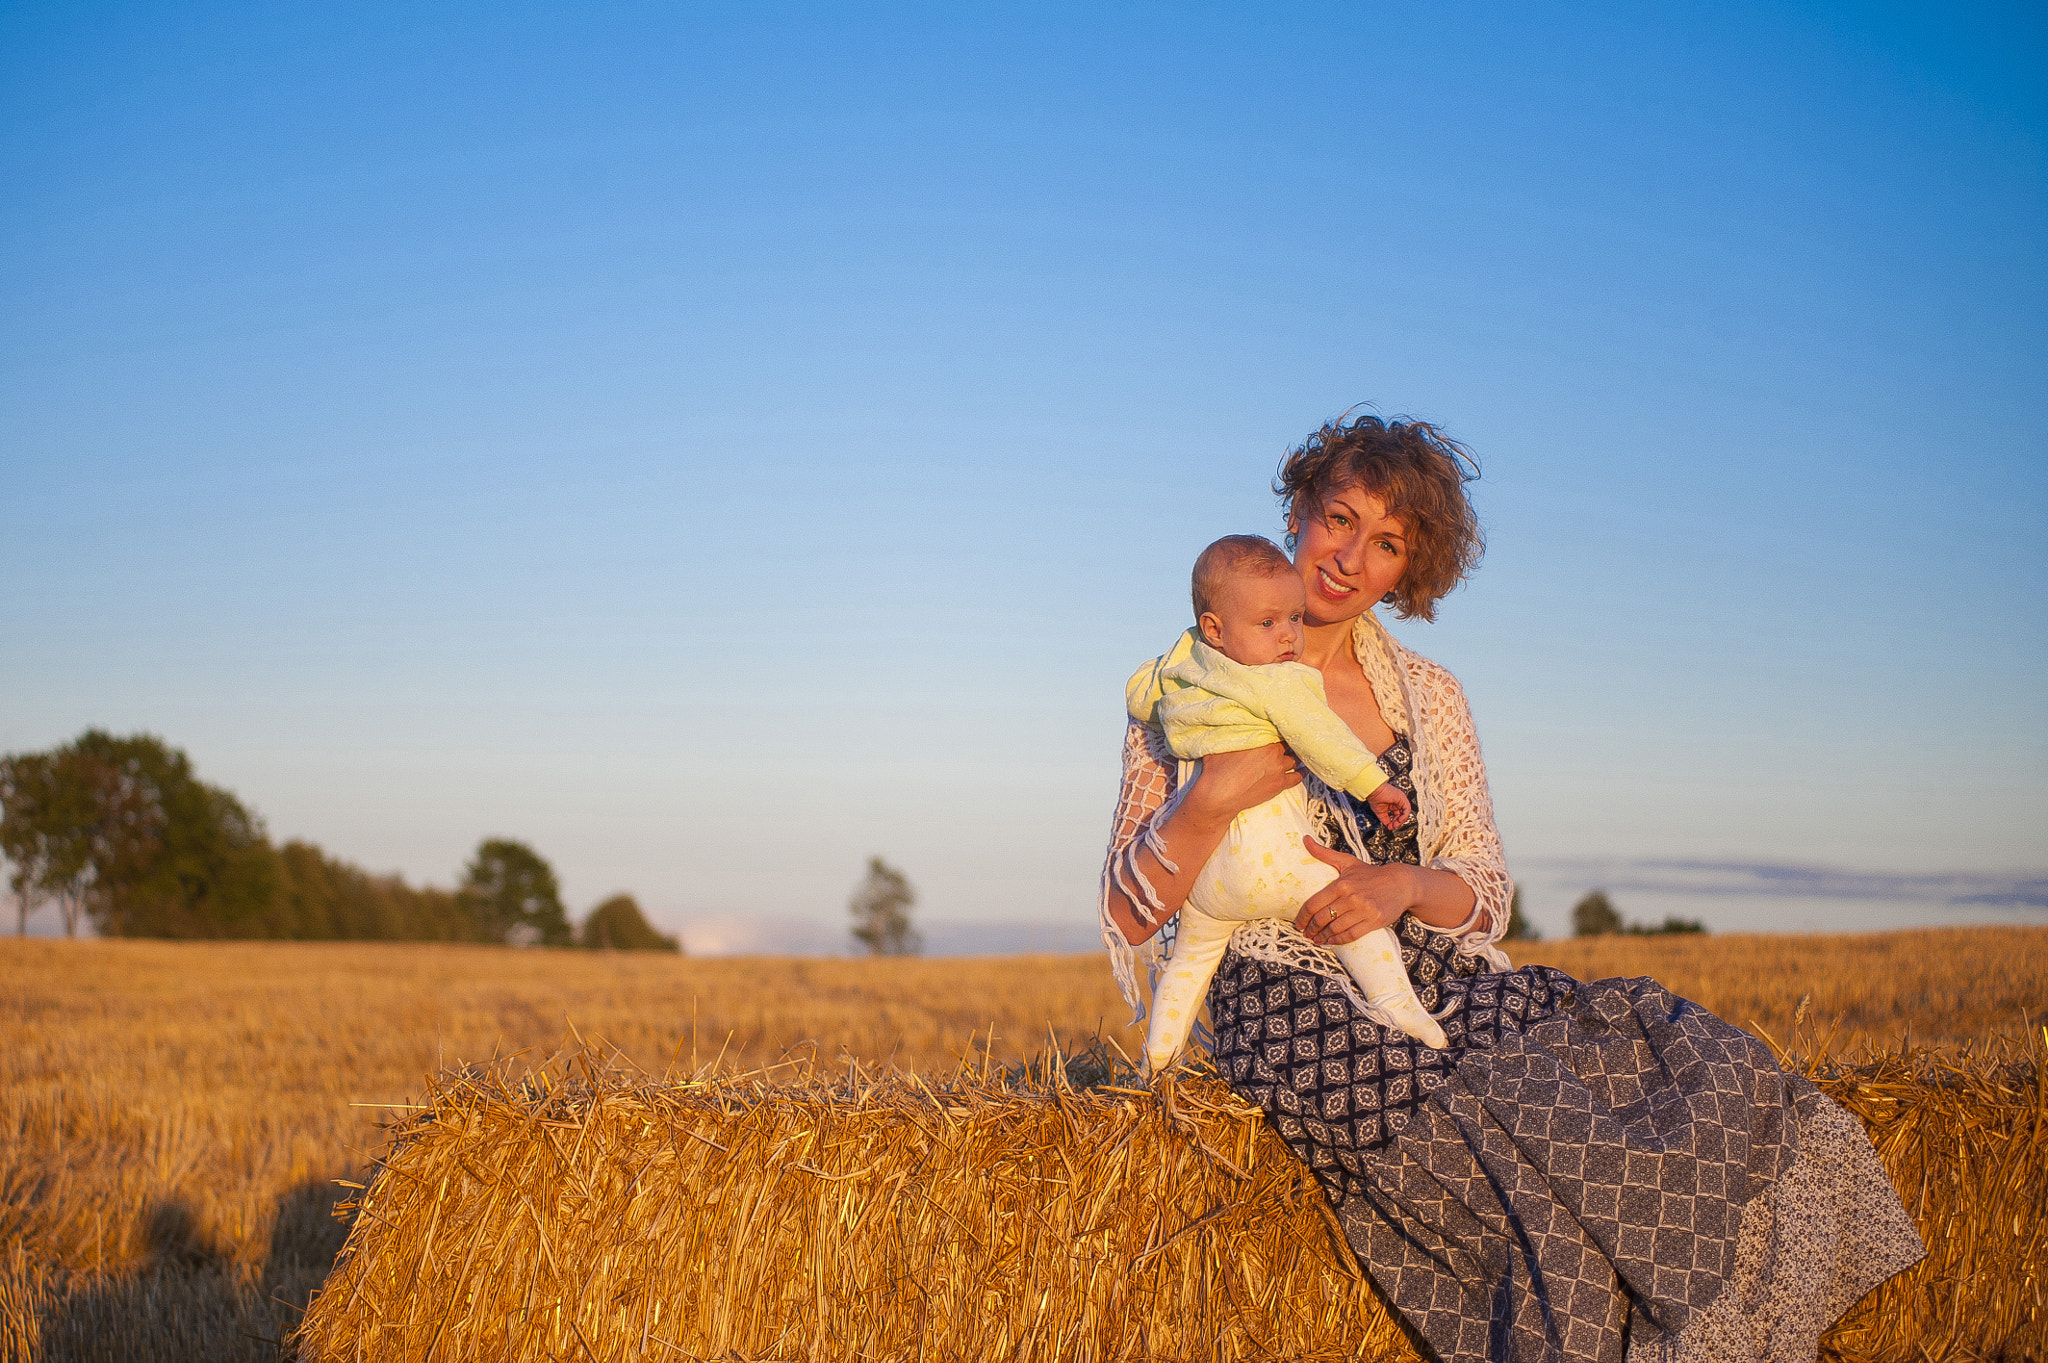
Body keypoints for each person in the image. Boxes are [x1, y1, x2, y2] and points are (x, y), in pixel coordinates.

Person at [1098, 413, 1923, 1363]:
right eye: (1338, 518)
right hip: (1285, 996)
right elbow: (1128, 911)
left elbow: (1485, 891)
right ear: (1297, 512)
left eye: (1387, 543)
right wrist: (1209, 801)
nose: (1347, 557)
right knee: (1501, 1161)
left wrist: (1400, 882)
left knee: (1639, 1066)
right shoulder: (1182, 690)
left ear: (1410, 571)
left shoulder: (1431, 695)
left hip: (1430, 967)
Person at [1128, 533, 1445, 1073]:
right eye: (1269, 624)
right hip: (1281, 864)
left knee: (1190, 960)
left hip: (1208, 882)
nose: (1288, 637)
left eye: (1294, 619)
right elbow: (1324, 738)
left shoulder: (1181, 673)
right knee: (1357, 926)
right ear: (1215, 629)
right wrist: (1374, 785)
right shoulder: (1279, 683)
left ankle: (1160, 1058)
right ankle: (1401, 1008)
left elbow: (1139, 693)